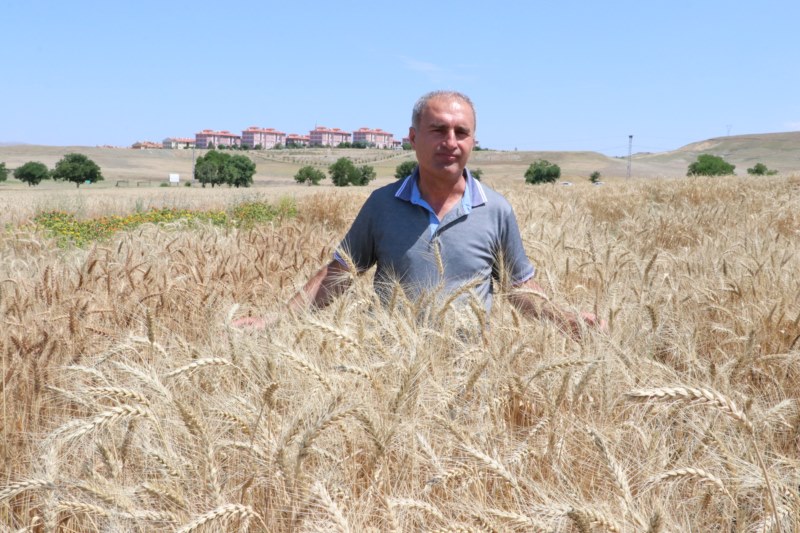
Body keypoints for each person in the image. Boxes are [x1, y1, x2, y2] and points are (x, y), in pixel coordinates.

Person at [235, 90, 603, 339]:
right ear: (413, 138)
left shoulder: (496, 210)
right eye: (438, 130)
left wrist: (567, 321)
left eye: (462, 132)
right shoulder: (382, 205)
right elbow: (339, 274)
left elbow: (517, 286)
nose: (451, 142)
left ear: (473, 141)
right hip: (390, 371)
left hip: (470, 375)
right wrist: (274, 322)